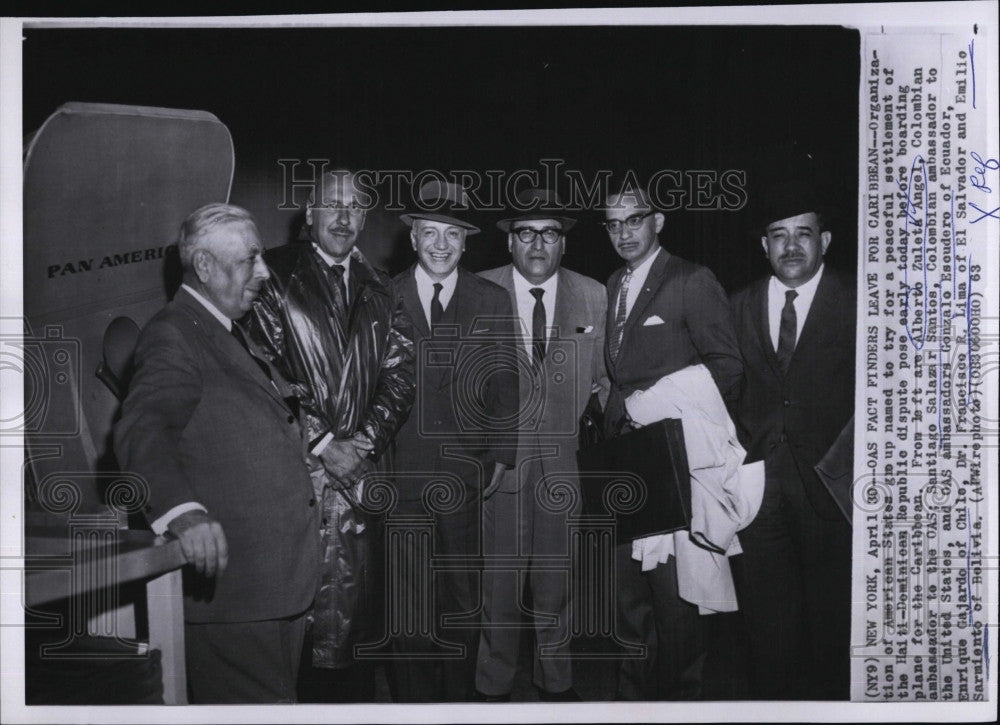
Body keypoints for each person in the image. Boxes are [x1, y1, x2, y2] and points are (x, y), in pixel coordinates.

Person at [114, 203, 321, 703]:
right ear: (204, 267)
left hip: (271, 585)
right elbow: (142, 430)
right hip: (238, 596)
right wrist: (182, 514)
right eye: (251, 259)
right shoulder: (173, 334)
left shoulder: (224, 329)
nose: (265, 272)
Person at [245, 169, 416, 701]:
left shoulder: (380, 286)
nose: (343, 217)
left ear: (364, 219)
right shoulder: (272, 273)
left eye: (355, 207)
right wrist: (322, 443)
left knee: (357, 637)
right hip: (298, 479)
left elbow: (400, 371)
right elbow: (259, 367)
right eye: (332, 205)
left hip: (361, 479)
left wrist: (362, 443)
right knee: (299, 638)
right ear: (310, 215)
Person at [602, 182, 743, 700]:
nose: (623, 233)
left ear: (657, 221)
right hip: (622, 464)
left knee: (677, 604)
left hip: (674, 462)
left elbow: (728, 369)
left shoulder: (691, 279)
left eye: (634, 219)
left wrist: (655, 404)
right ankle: (630, 706)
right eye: (613, 224)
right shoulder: (614, 282)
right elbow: (618, 377)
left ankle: (684, 705)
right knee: (628, 602)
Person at [389, 180, 519, 702]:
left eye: (452, 234)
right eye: (429, 232)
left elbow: (505, 383)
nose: (440, 244)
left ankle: (457, 708)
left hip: (464, 479)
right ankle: (411, 708)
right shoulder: (381, 295)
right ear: (413, 238)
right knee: (407, 609)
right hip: (399, 478)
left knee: (462, 603)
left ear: (466, 243)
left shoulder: (491, 299)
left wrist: (501, 457)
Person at [476, 188, 609, 702]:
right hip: (502, 470)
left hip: (563, 469)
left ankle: (557, 687)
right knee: (499, 588)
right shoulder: (481, 290)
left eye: (549, 233)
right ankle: (492, 689)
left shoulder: (593, 295)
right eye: (526, 232)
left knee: (558, 586)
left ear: (564, 243)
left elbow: (604, 382)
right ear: (510, 242)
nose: (538, 243)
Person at [729, 181, 854, 699]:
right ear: (764, 246)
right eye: (778, 236)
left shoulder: (861, 301)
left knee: (832, 629)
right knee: (767, 632)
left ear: (825, 240)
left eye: (804, 234)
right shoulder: (737, 305)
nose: (791, 246)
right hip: (759, 493)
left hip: (833, 491)